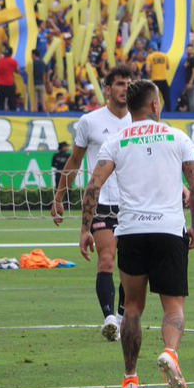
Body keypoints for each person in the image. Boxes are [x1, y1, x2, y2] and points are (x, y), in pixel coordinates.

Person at [82, 79, 194, 388]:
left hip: (132, 232)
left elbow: (93, 188)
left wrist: (85, 229)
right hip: (168, 231)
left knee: (133, 308)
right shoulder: (178, 137)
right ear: (154, 105)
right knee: (173, 308)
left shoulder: (117, 141)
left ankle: (130, 380)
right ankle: (170, 352)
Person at [52, 65, 134, 341]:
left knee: (130, 267)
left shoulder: (138, 120)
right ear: (108, 89)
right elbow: (74, 162)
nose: (125, 89)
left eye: (128, 84)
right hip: (101, 203)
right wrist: (59, 196)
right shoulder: (90, 121)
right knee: (107, 261)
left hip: (133, 204)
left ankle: (121, 317)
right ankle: (109, 317)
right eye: (120, 83)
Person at [0, 47, 18, 111]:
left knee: (1, 102)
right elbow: (17, 71)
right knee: (12, 102)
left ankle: (0, 116)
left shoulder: (0, 61)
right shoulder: (13, 61)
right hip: (9, 84)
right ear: (11, 53)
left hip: (0, 84)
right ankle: (13, 116)